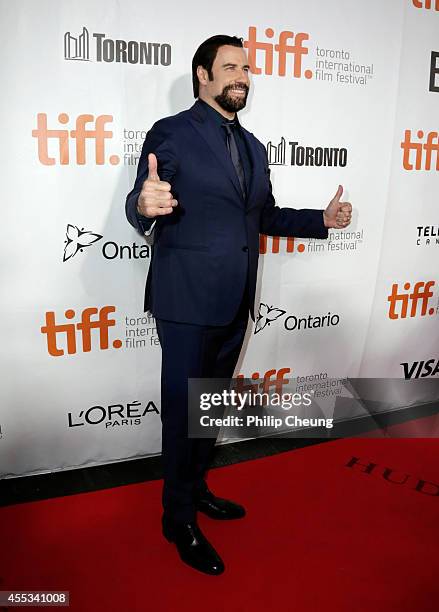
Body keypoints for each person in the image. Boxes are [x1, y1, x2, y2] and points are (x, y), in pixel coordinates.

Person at [125, 34, 352, 575]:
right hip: (186, 301)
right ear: (203, 75)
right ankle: (176, 518)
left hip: (235, 301)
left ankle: (195, 489)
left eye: (246, 68)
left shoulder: (252, 146)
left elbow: (264, 216)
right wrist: (143, 207)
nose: (241, 76)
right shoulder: (172, 133)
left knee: (207, 410)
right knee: (183, 414)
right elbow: (145, 198)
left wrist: (319, 221)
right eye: (230, 67)